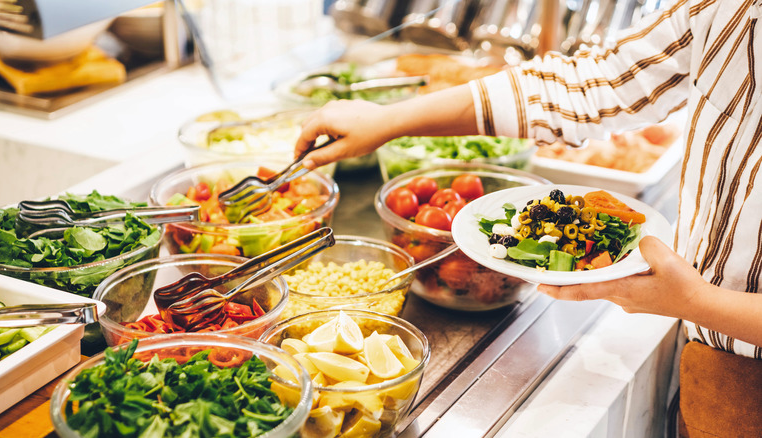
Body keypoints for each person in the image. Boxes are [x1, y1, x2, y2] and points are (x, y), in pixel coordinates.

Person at [294, 0, 762, 435]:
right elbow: (592, 83)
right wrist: (389, 120)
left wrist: (697, 301)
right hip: (710, 365)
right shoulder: (727, 7)